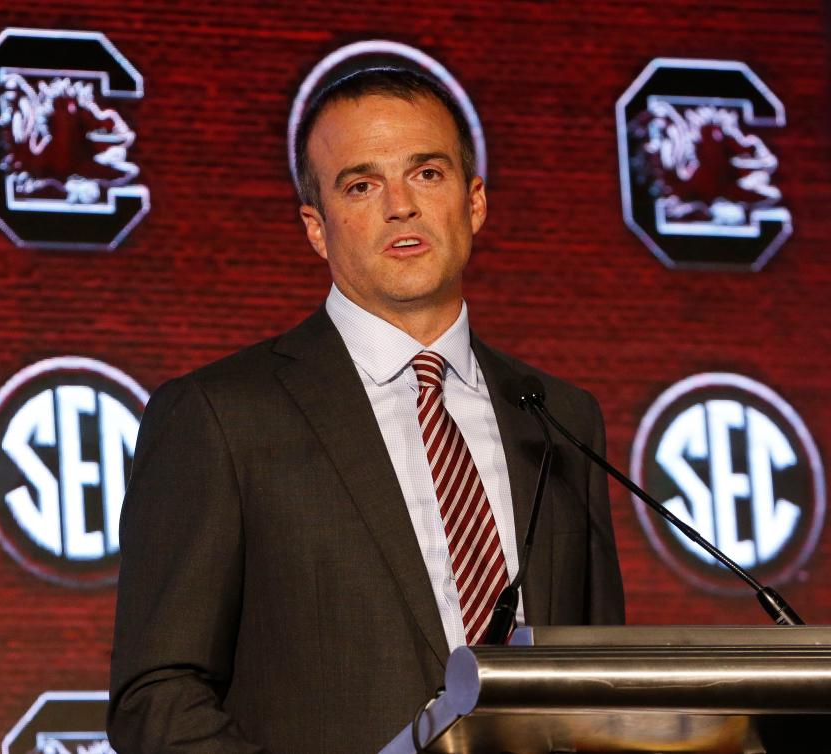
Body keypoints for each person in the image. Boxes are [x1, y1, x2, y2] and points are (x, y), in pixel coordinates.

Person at [108, 67, 624, 754]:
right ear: (317, 229)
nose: (400, 206)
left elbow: (607, 684)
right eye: (361, 185)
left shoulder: (561, 418)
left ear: (474, 203)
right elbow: (158, 699)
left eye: (427, 174)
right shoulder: (219, 417)